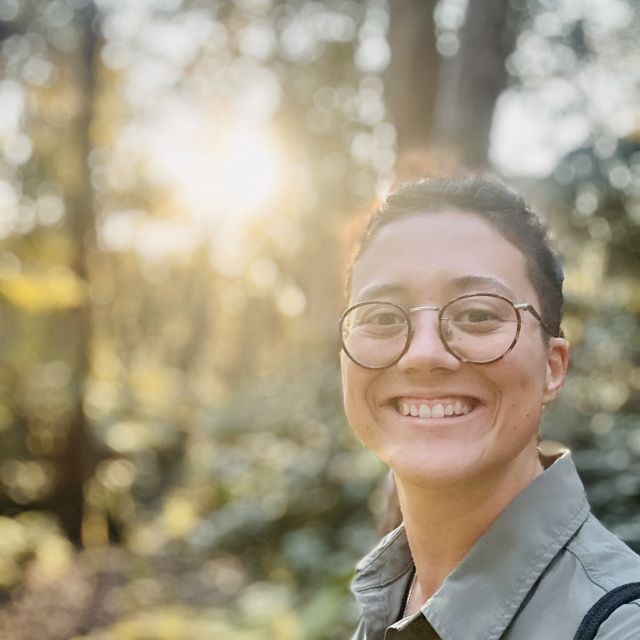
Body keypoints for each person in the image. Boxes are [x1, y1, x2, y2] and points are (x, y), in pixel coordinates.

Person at [339, 177, 640, 639]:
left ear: (552, 367)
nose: (422, 354)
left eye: (477, 314)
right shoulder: (390, 596)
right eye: (381, 317)